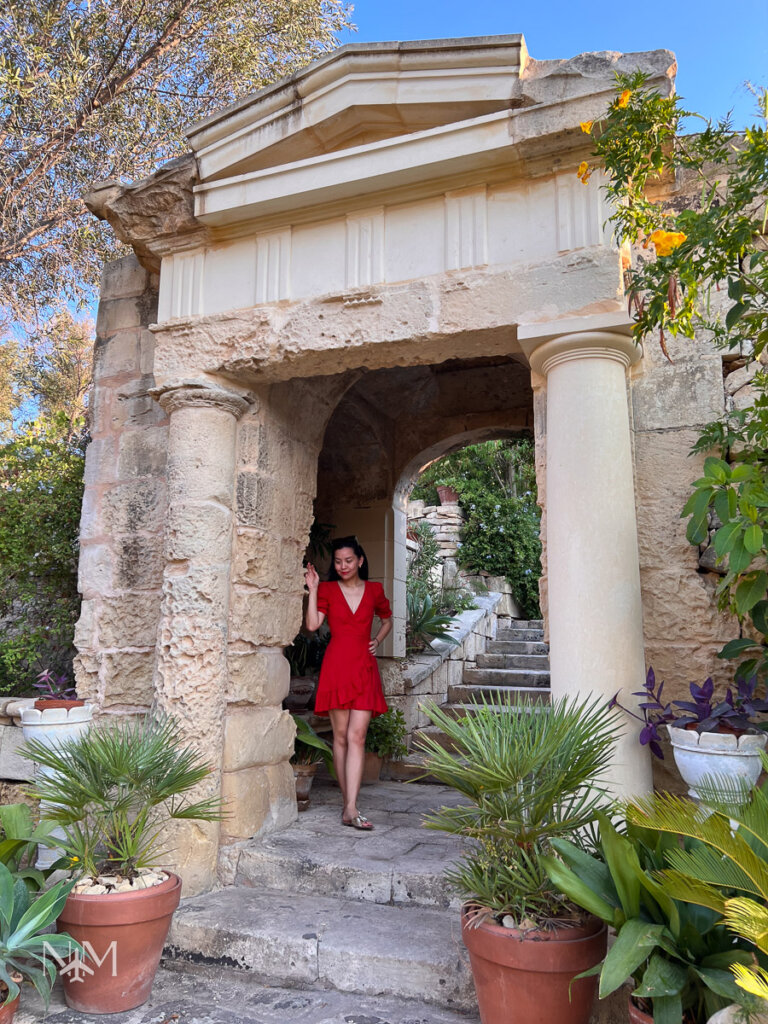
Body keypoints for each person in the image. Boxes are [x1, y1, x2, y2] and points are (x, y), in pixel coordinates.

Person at [304, 536, 392, 831]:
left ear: (360, 561)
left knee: (357, 737)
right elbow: (313, 625)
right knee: (341, 737)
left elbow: (387, 618)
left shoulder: (375, 590)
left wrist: (377, 640)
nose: (343, 566)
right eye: (338, 561)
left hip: (364, 668)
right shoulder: (328, 589)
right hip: (337, 667)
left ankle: (351, 806)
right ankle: (348, 805)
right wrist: (313, 589)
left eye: (349, 561)